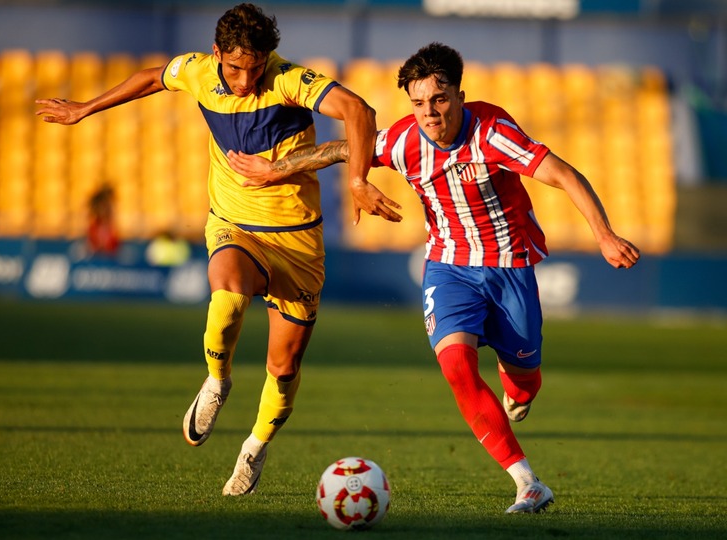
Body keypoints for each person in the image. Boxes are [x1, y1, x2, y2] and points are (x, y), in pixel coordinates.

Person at [228, 42, 641, 513]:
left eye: (440, 99)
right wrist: (274, 169)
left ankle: (517, 387)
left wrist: (604, 235)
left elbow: (565, 174)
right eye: (419, 102)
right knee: (458, 369)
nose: (430, 112)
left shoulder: (493, 132)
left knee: (526, 382)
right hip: (448, 267)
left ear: (460, 96)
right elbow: (344, 148)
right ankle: (528, 483)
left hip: (510, 268)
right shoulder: (406, 140)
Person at [35, 3, 401, 496]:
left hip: (297, 240)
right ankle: (217, 381)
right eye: (235, 67)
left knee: (284, 366)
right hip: (234, 224)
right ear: (216, 54)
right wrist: (85, 108)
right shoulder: (198, 71)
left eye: (255, 67)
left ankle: (253, 448)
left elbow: (359, 111)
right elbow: (151, 77)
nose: (247, 79)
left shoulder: (289, 79)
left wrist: (356, 179)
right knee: (227, 294)